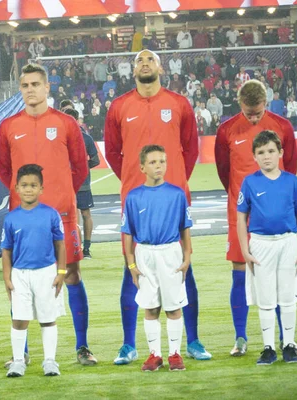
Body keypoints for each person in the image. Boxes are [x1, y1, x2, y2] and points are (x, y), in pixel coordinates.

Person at [105, 49, 209, 365]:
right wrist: (134, 183)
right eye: (139, 60)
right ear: (133, 69)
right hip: (136, 202)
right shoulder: (119, 107)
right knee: (132, 271)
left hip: (173, 199)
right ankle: (128, 345)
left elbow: (191, 149)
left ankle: (192, 341)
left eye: (150, 59)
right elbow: (113, 153)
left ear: (160, 67)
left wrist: (175, 183)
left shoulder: (178, 104)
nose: (145, 63)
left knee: (183, 271)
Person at [0, 63, 93, 366]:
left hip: (61, 214)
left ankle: (82, 347)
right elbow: (4, 171)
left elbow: (79, 167)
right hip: (23, 218)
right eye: (25, 85)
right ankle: (20, 354)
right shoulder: (9, 126)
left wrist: (61, 195)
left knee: (73, 273)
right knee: (18, 280)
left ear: (47, 87)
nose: (30, 90)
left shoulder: (65, 124)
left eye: (36, 84)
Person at [215, 80, 297, 357]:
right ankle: (240, 337)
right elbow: (224, 171)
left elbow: (291, 169)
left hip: (276, 214)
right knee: (239, 270)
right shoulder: (226, 130)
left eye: (258, 111)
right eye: (248, 112)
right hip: (241, 212)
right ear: (239, 104)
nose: (253, 117)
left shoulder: (282, 126)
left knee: (277, 275)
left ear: (266, 102)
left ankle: (284, 339)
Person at [236, 130, 297, 365]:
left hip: (287, 243)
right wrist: (246, 251)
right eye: (260, 153)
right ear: (254, 156)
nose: (266, 156)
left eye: (270, 151)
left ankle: (288, 344)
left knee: (287, 297)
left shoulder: (292, 181)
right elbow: (240, 218)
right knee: (265, 299)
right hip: (260, 244)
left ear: (280, 153)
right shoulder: (250, 182)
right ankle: (268, 348)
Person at [121, 145, 192, 372]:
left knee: (173, 307)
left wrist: (187, 256)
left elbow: (185, 229)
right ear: (142, 167)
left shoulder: (177, 194)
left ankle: (174, 354)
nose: (158, 165)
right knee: (150, 307)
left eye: (162, 161)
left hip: (171, 252)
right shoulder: (134, 197)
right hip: (145, 254)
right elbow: (128, 234)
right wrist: (131, 264)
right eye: (152, 162)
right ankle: (155, 355)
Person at [2, 164, 66, 378]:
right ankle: (18, 361)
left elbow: (60, 244)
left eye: (33, 185)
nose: (28, 189)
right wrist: (7, 277)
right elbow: (6, 251)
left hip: (47, 273)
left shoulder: (51, 214)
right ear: (16, 189)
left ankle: (50, 361)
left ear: (41, 189)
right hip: (20, 275)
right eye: (24, 185)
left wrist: (61, 272)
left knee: (48, 318)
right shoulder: (11, 218)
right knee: (19, 319)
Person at [61, 105, 99, 259]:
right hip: (77, 182)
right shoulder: (85, 138)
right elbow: (95, 160)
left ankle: (78, 248)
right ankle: (84, 249)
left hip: (70, 182)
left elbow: (95, 160)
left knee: (73, 214)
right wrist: (82, 168)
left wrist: (79, 168)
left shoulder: (65, 136)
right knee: (83, 214)